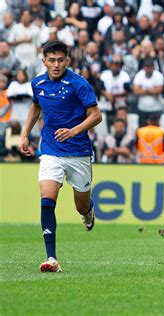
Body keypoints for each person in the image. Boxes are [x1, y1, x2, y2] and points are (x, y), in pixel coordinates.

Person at [18, 40, 102, 272]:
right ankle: (51, 258)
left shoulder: (79, 84)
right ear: (43, 61)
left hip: (79, 153)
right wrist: (25, 134)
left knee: (81, 206)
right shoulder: (38, 83)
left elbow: (96, 115)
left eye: (60, 60)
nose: (56, 65)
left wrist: (74, 130)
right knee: (47, 201)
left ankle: (88, 212)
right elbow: (36, 106)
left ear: (68, 60)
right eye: (51, 60)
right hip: (51, 152)